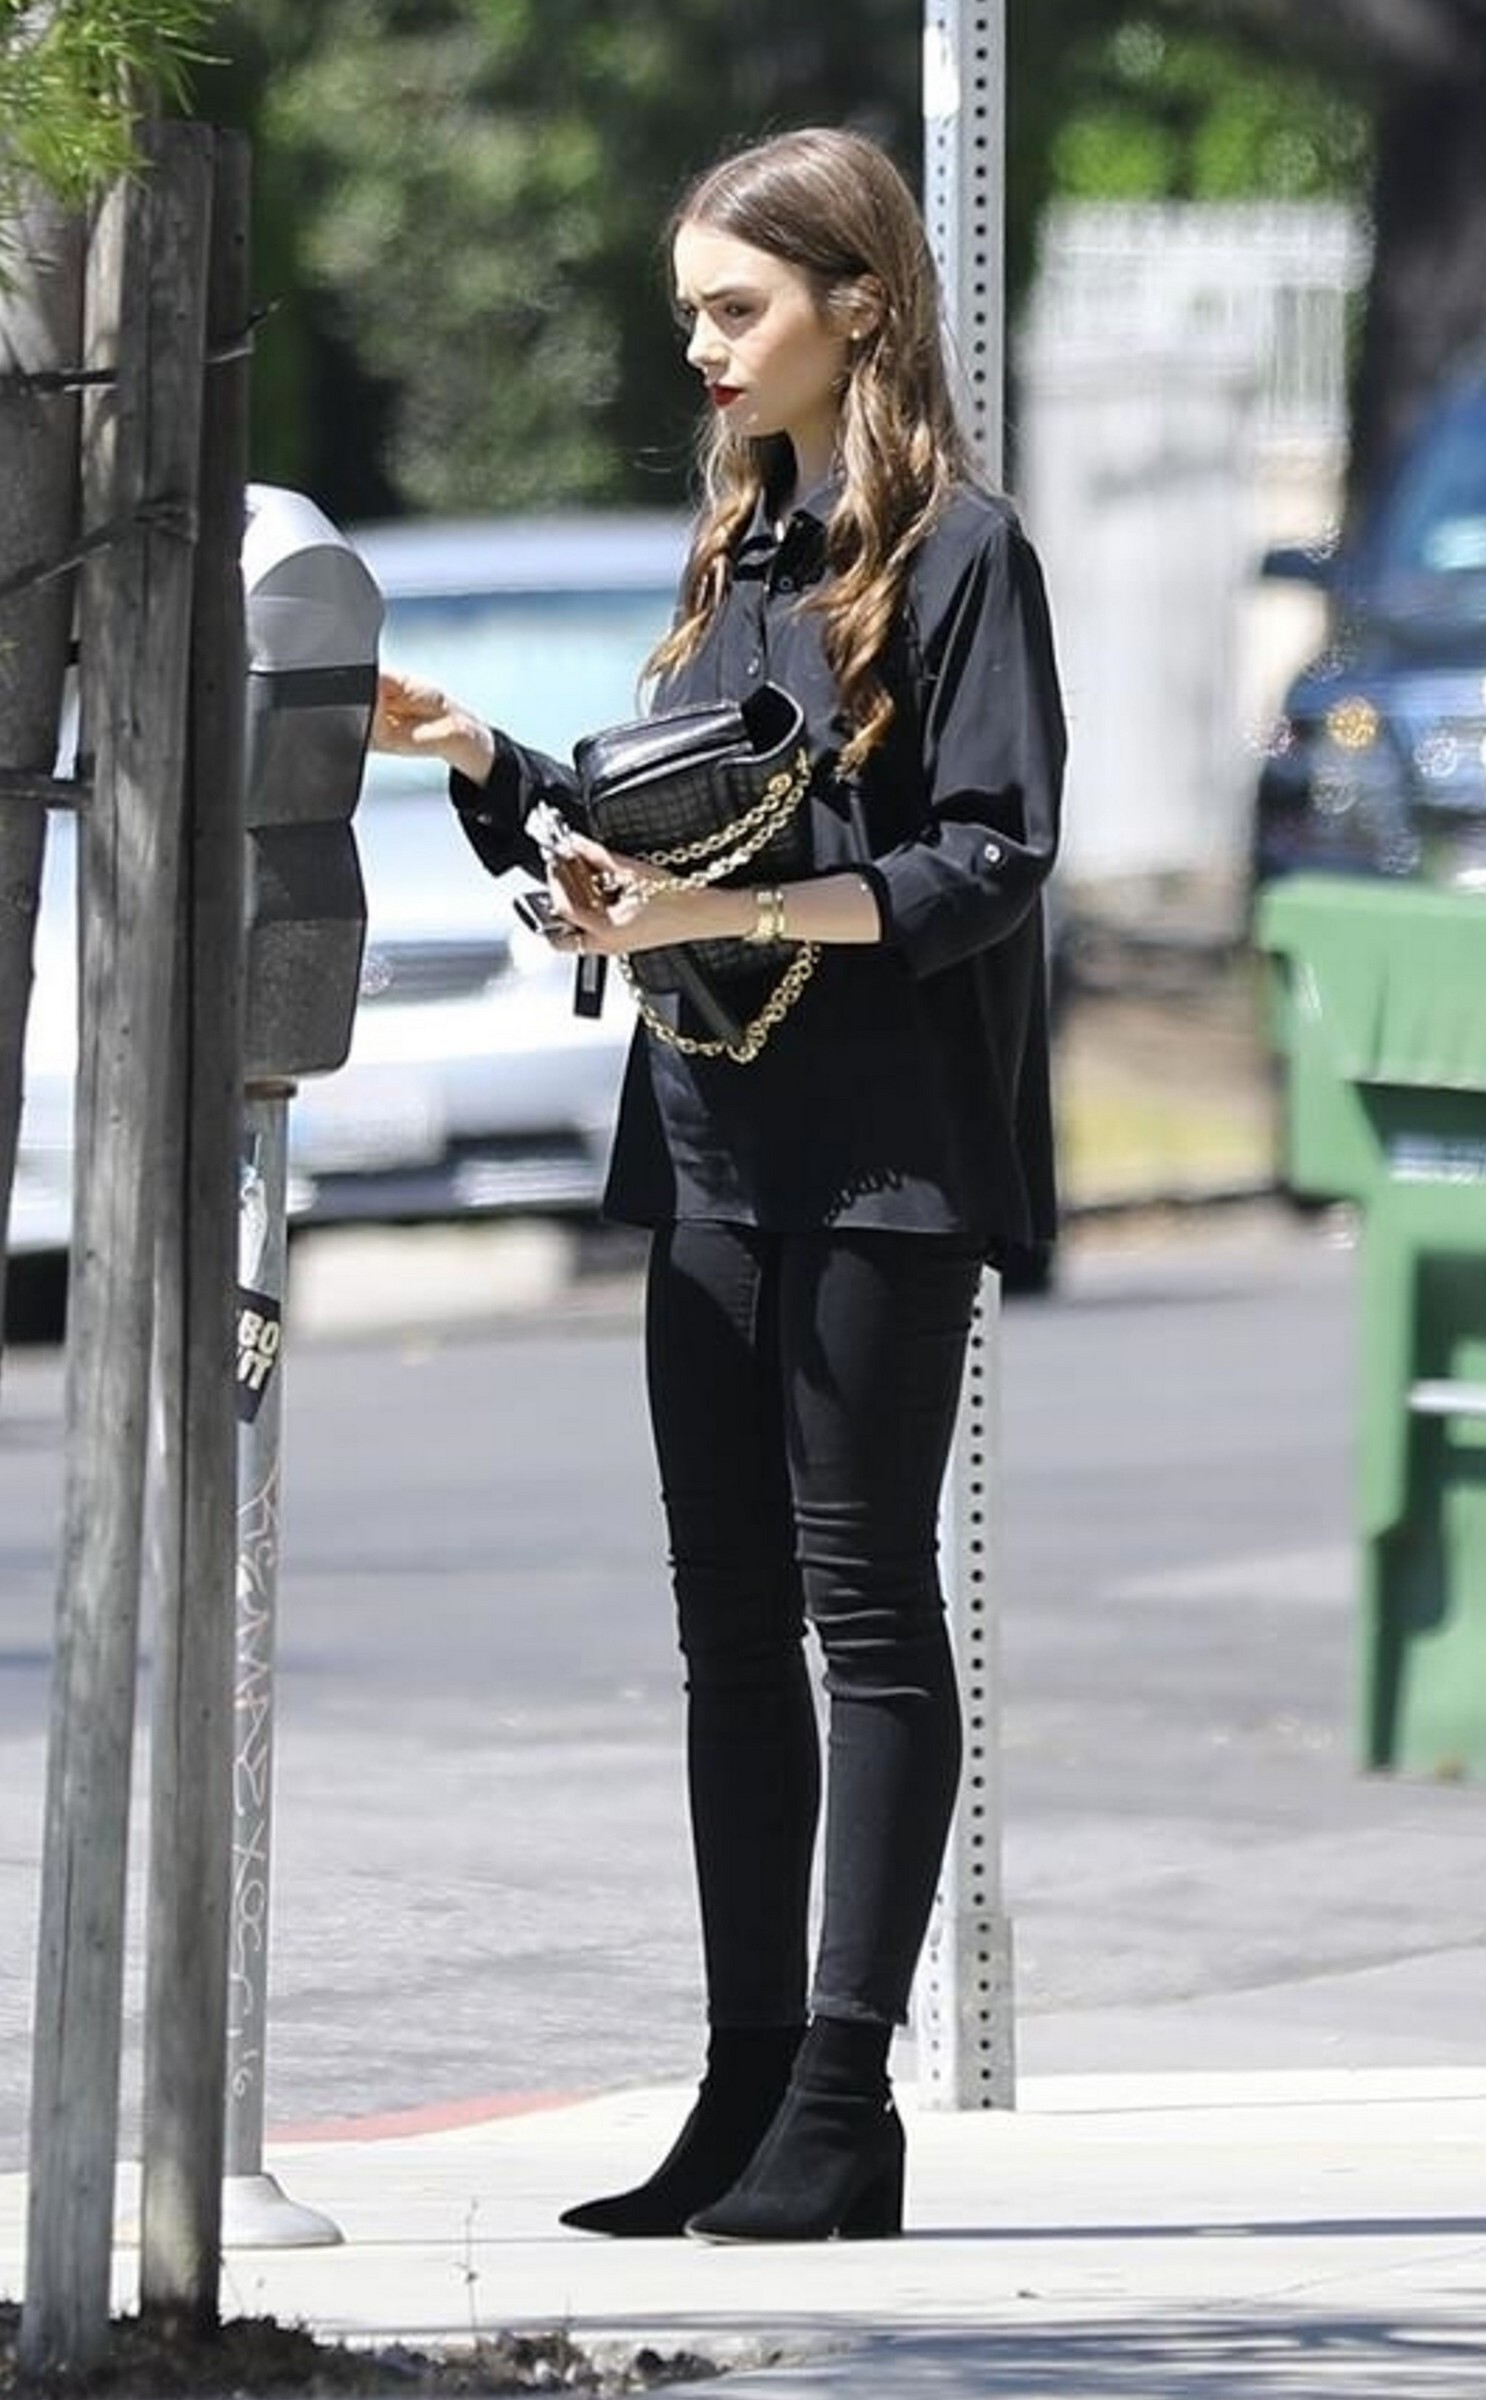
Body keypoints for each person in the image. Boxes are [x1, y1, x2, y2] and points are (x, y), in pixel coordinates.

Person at [371, 124, 1066, 2244]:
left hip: (882, 1156)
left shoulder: (960, 556)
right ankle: (744, 2083)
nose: (702, 347)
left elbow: (986, 860)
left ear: (860, 301)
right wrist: (491, 765)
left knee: (864, 1608)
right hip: (703, 1141)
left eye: (734, 308)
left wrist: (712, 916)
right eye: (690, 312)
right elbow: (683, 838)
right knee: (727, 1626)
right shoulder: (739, 546)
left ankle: (845, 2103)